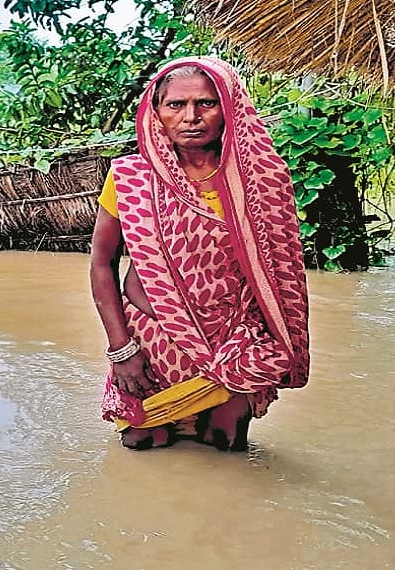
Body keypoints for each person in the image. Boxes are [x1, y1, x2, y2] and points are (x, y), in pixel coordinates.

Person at [89, 56, 310, 451]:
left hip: (235, 343)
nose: (191, 116)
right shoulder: (131, 178)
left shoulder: (260, 180)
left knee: (225, 445)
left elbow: (281, 274)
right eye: (175, 105)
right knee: (143, 443)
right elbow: (103, 264)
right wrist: (122, 350)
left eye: (206, 103)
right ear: (156, 112)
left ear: (229, 109)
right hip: (153, 341)